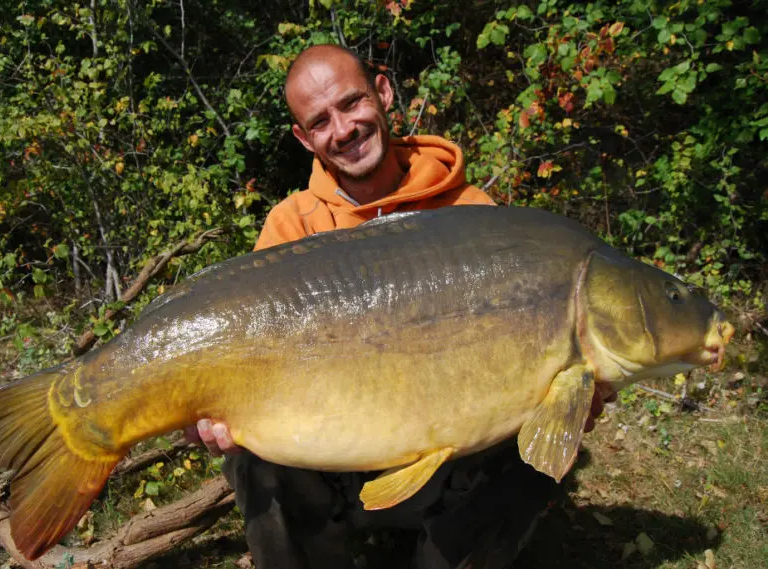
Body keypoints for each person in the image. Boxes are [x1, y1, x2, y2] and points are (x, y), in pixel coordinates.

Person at [185, 44, 612, 569]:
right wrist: (210, 410)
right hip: (334, 468)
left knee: (532, 459)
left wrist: (574, 391)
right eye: (320, 121)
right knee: (252, 456)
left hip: (455, 468)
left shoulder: (472, 214)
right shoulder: (290, 227)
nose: (343, 129)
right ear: (303, 138)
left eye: (351, 103)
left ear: (383, 93)